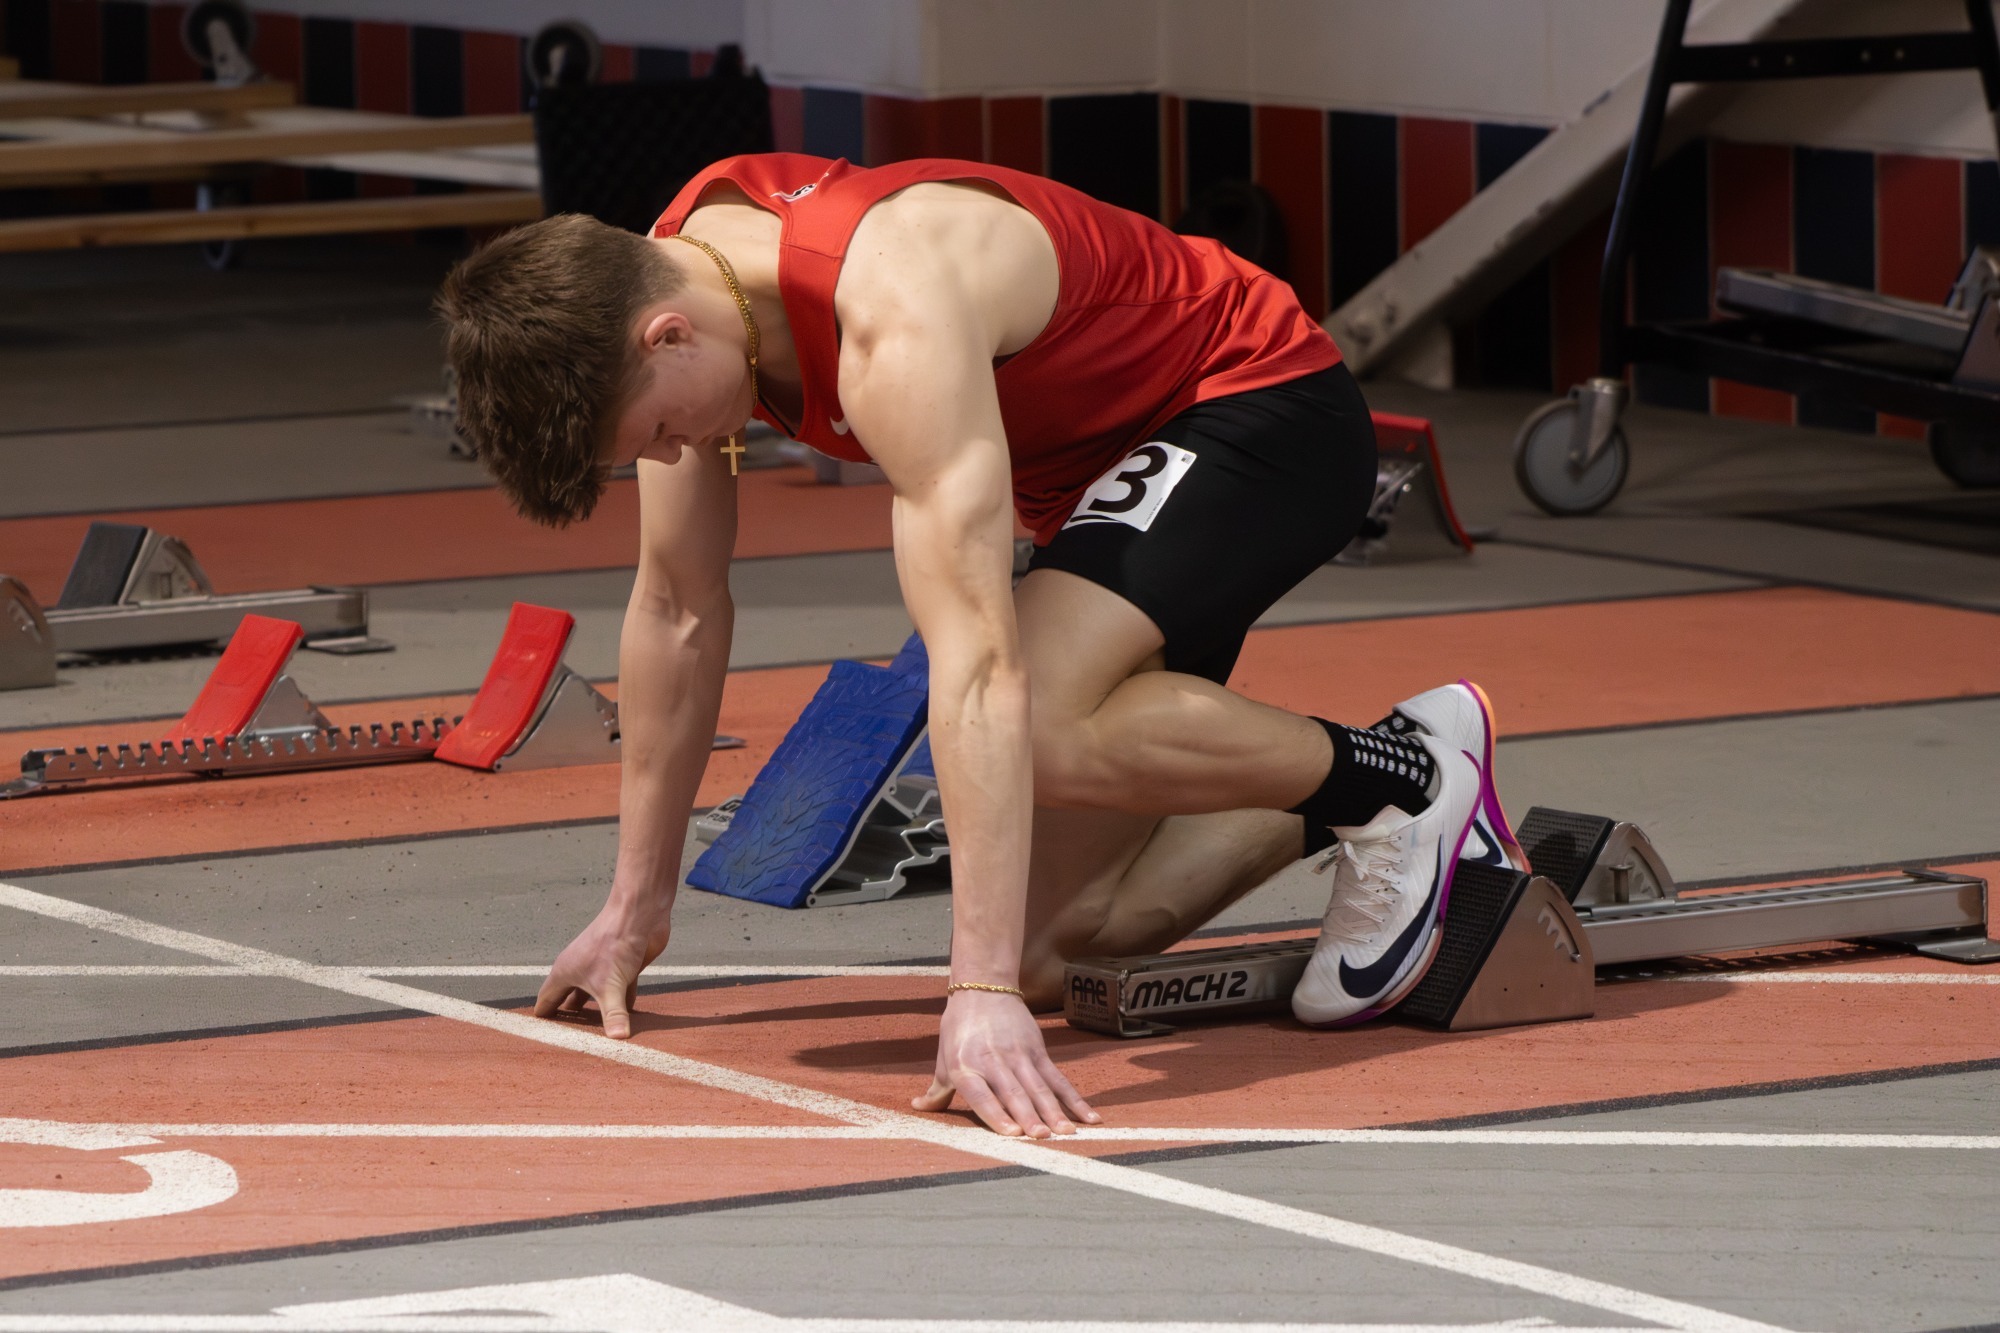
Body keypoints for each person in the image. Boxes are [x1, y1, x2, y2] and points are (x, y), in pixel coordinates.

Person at [435, 153, 1520, 1141]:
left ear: (663, 334)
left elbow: (977, 664)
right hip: (1103, 496)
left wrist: (978, 994)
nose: (684, 452)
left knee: (1035, 724)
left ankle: (1407, 789)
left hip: (1249, 407)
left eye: (663, 433)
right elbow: (675, 606)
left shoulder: (890, 304)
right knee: (1060, 951)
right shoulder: (677, 279)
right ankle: (1360, 777)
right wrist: (634, 908)